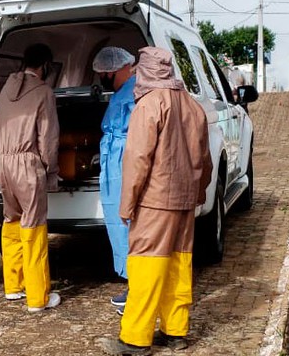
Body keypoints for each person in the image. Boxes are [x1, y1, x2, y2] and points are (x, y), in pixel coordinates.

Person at [100, 47, 213, 355]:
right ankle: (176, 332)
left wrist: (126, 204)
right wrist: (198, 193)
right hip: (185, 201)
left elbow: (137, 160)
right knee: (179, 264)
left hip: (154, 201)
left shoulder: (149, 105)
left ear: (146, 71)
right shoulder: (192, 106)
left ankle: (135, 338)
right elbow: (205, 159)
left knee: (145, 267)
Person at [0, 43, 61, 312]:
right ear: (45, 65)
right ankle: (38, 298)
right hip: (27, 163)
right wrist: (51, 170)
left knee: (11, 222)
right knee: (34, 228)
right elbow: (47, 136)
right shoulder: (44, 92)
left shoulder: (5, 90)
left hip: (3, 163)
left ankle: (13, 286)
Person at [92, 46, 136, 315]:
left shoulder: (134, 95)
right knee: (118, 225)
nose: (102, 76)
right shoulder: (121, 94)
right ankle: (131, 282)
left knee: (127, 225)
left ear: (118, 68)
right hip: (114, 165)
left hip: (124, 165)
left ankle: (136, 286)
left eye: (105, 71)